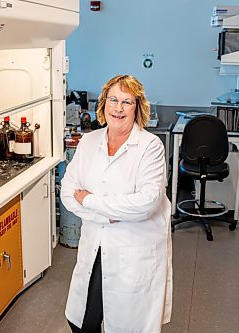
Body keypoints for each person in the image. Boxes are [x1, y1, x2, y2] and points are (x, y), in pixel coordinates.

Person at [60, 74, 172, 333]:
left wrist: (89, 200)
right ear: (103, 104)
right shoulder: (89, 142)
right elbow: (67, 192)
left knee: (127, 324)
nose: (118, 108)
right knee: (81, 320)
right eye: (113, 100)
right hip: (95, 243)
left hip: (132, 250)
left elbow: (146, 203)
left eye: (126, 102)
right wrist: (106, 215)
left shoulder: (150, 147)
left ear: (138, 107)